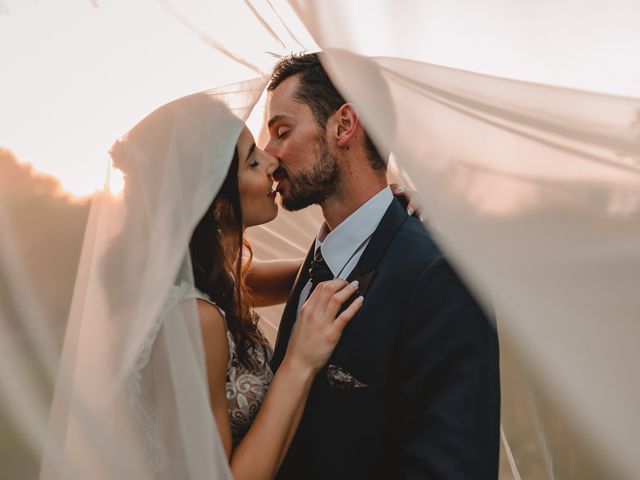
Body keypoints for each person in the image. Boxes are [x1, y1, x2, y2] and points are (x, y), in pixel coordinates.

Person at [264, 52, 501, 479]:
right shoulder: (317, 263)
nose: (269, 155)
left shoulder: (441, 278)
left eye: (281, 131)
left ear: (343, 125)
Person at [107, 91, 363, 480]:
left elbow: (309, 270)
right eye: (253, 161)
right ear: (214, 200)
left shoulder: (205, 282)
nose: (273, 163)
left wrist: (372, 226)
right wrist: (300, 362)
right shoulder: (195, 318)